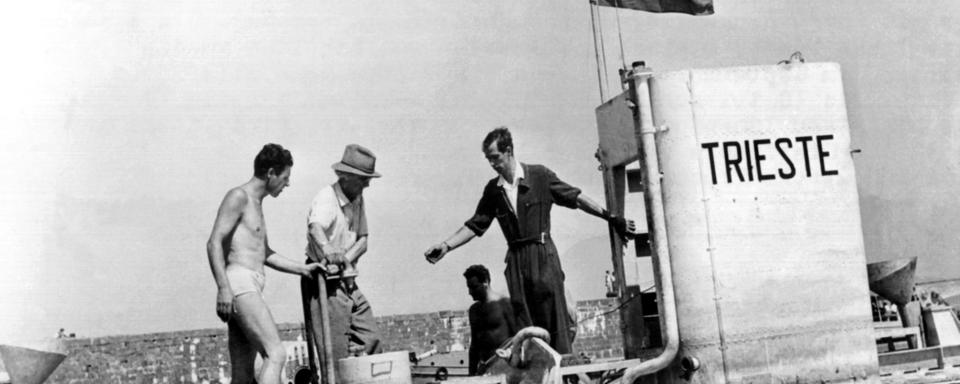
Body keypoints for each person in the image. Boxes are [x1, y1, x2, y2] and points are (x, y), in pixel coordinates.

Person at [424, 127, 637, 354]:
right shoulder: (493, 191)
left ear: (508, 151)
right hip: (516, 260)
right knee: (525, 321)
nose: (493, 164)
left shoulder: (539, 176)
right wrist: (446, 245)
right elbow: (476, 224)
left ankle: (562, 366)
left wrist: (611, 217)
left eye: (495, 158)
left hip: (542, 253)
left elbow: (576, 197)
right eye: (488, 160)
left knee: (555, 317)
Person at [206, 143, 323, 384]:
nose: (287, 184)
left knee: (242, 373)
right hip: (240, 284)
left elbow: (264, 253)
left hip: (247, 285)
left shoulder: (257, 204)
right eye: (285, 177)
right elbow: (214, 243)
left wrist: (303, 268)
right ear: (270, 173)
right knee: (275, 354)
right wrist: (223, 288)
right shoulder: (238, 197)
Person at [303, 144, 382, 362]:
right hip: (324, 283)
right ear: (345, 176)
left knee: (370, 338)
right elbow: (315, 227)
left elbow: (363, 240)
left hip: (346, 278)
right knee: (335, 353)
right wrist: (328, 249)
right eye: (363, 179)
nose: (367, 184)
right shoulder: (327, 197)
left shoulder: (357, 198)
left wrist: (345, 259)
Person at [463, 265, 520, 375]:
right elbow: (474, 347)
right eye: (468, 287)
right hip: (485, 370)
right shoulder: (474, 310)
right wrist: (471, 375)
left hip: (506, 369)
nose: (470, 292)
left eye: (473, 287)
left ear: (485, 282)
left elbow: (517, 339)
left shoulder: (505, 303)